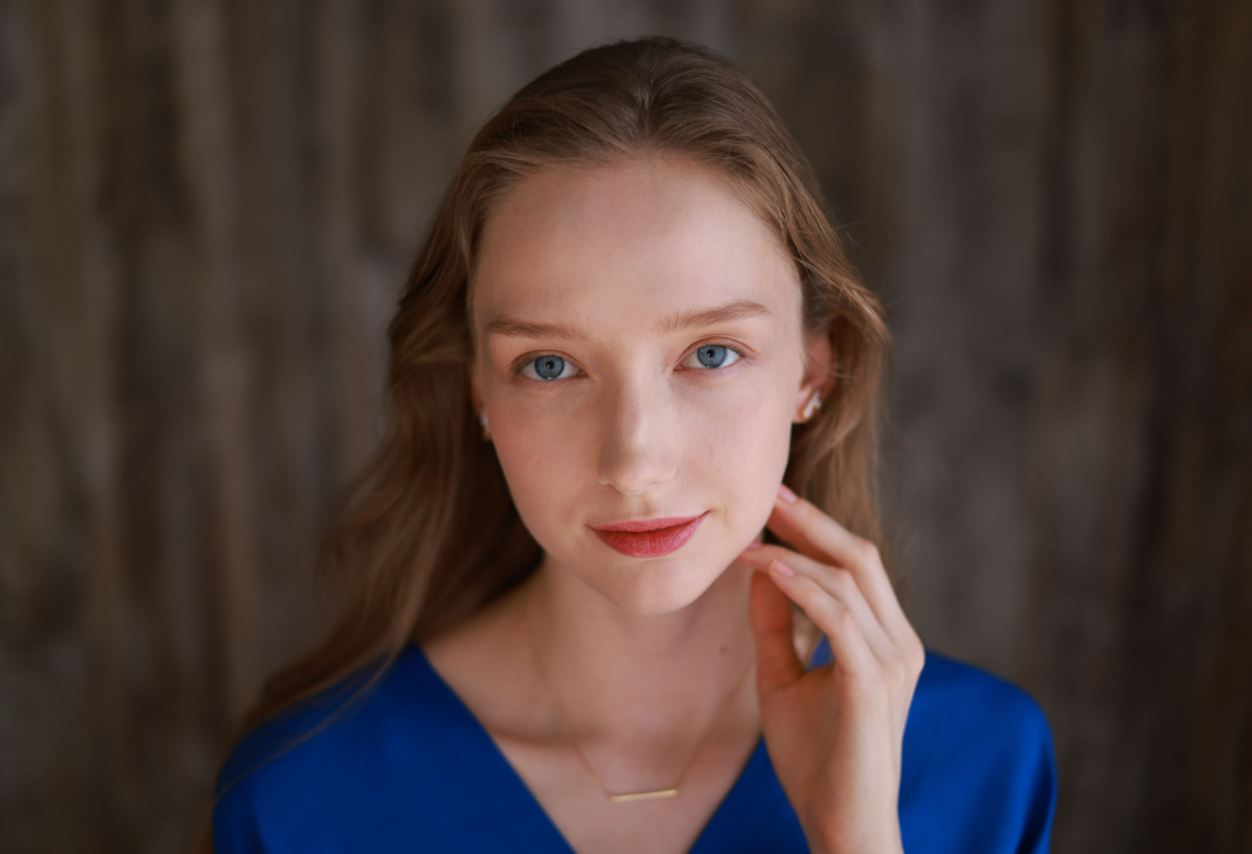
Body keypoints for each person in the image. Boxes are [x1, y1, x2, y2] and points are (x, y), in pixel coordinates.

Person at [199, 35, 1058, 853]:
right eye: (549, 365)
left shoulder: (984, 766)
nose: (635, 462)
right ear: (477, 391)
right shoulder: (301, 802)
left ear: (813, 370)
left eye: (711, 354)